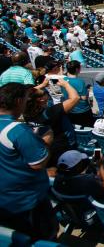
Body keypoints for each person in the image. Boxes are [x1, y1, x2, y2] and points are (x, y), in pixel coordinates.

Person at [0, 83, 57, 242]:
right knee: (43, 238)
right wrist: (46, 142)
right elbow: (38, 163)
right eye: (25, 99)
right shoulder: (17, 130)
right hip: (27, 200)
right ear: (18, 101)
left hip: (5, 199)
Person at [23, 81, 80, 170]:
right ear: (40, 99)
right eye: (45, 92)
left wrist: (42, 85)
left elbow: (28, 95)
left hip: (46, 147)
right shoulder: (50, 112)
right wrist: (66, 84)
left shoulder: (26, 113)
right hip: (64, 146)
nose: (47, 93)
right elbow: (75, 98)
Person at [63, 60, 94, 127]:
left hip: (70, 109)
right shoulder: (80, 82)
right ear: (77, 69)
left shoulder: (63, 80)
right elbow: (84, 98)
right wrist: (87, 90)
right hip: (82, 111)